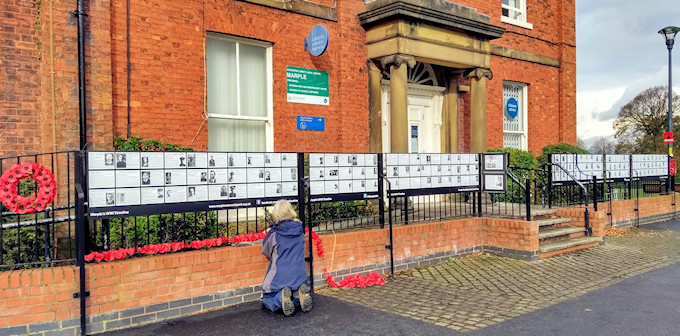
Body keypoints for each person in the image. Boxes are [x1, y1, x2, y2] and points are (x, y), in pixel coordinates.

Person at [261, 200, 312, 316]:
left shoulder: (274, 233)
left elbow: (265, 251)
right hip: (299, 276)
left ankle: (280, 298)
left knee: (267, 299)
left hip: (280, 277)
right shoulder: (299, 229)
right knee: (292, 295)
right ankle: (299, 297)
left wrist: (268, 233)